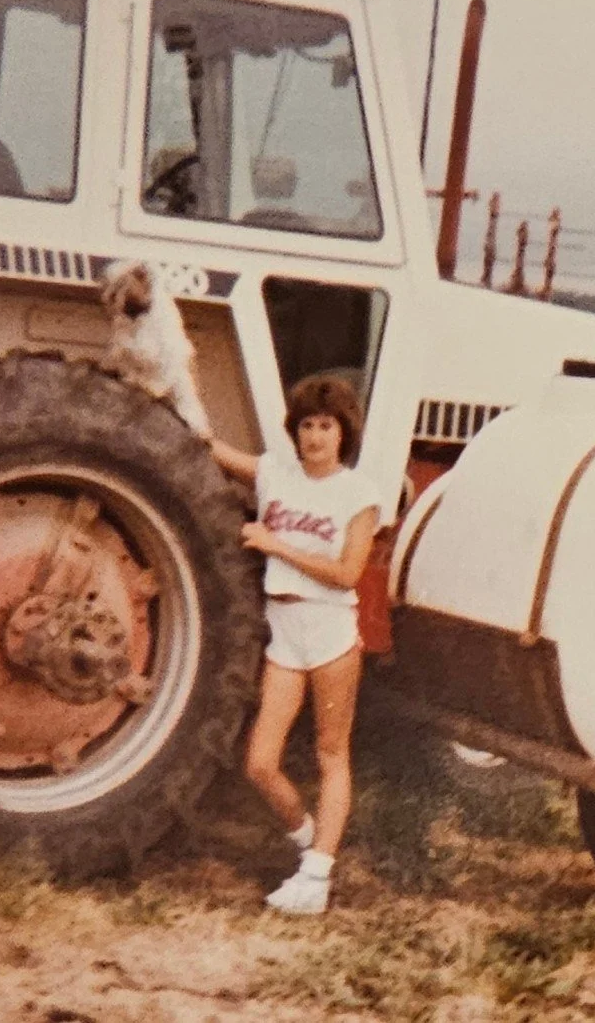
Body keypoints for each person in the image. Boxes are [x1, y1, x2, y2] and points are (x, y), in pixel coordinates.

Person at [210, 374, 381, 914]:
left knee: (331, 754)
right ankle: (309, 838)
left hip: (329, 629)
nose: (315, 436)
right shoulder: (275, 474)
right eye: (306, 424)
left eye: (326, 426)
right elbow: (209, 449)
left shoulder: (359, 494)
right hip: (283, 630)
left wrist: (275, 546)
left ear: (343, 432)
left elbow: (349, 573)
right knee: (260, 762)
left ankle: (317, 879)